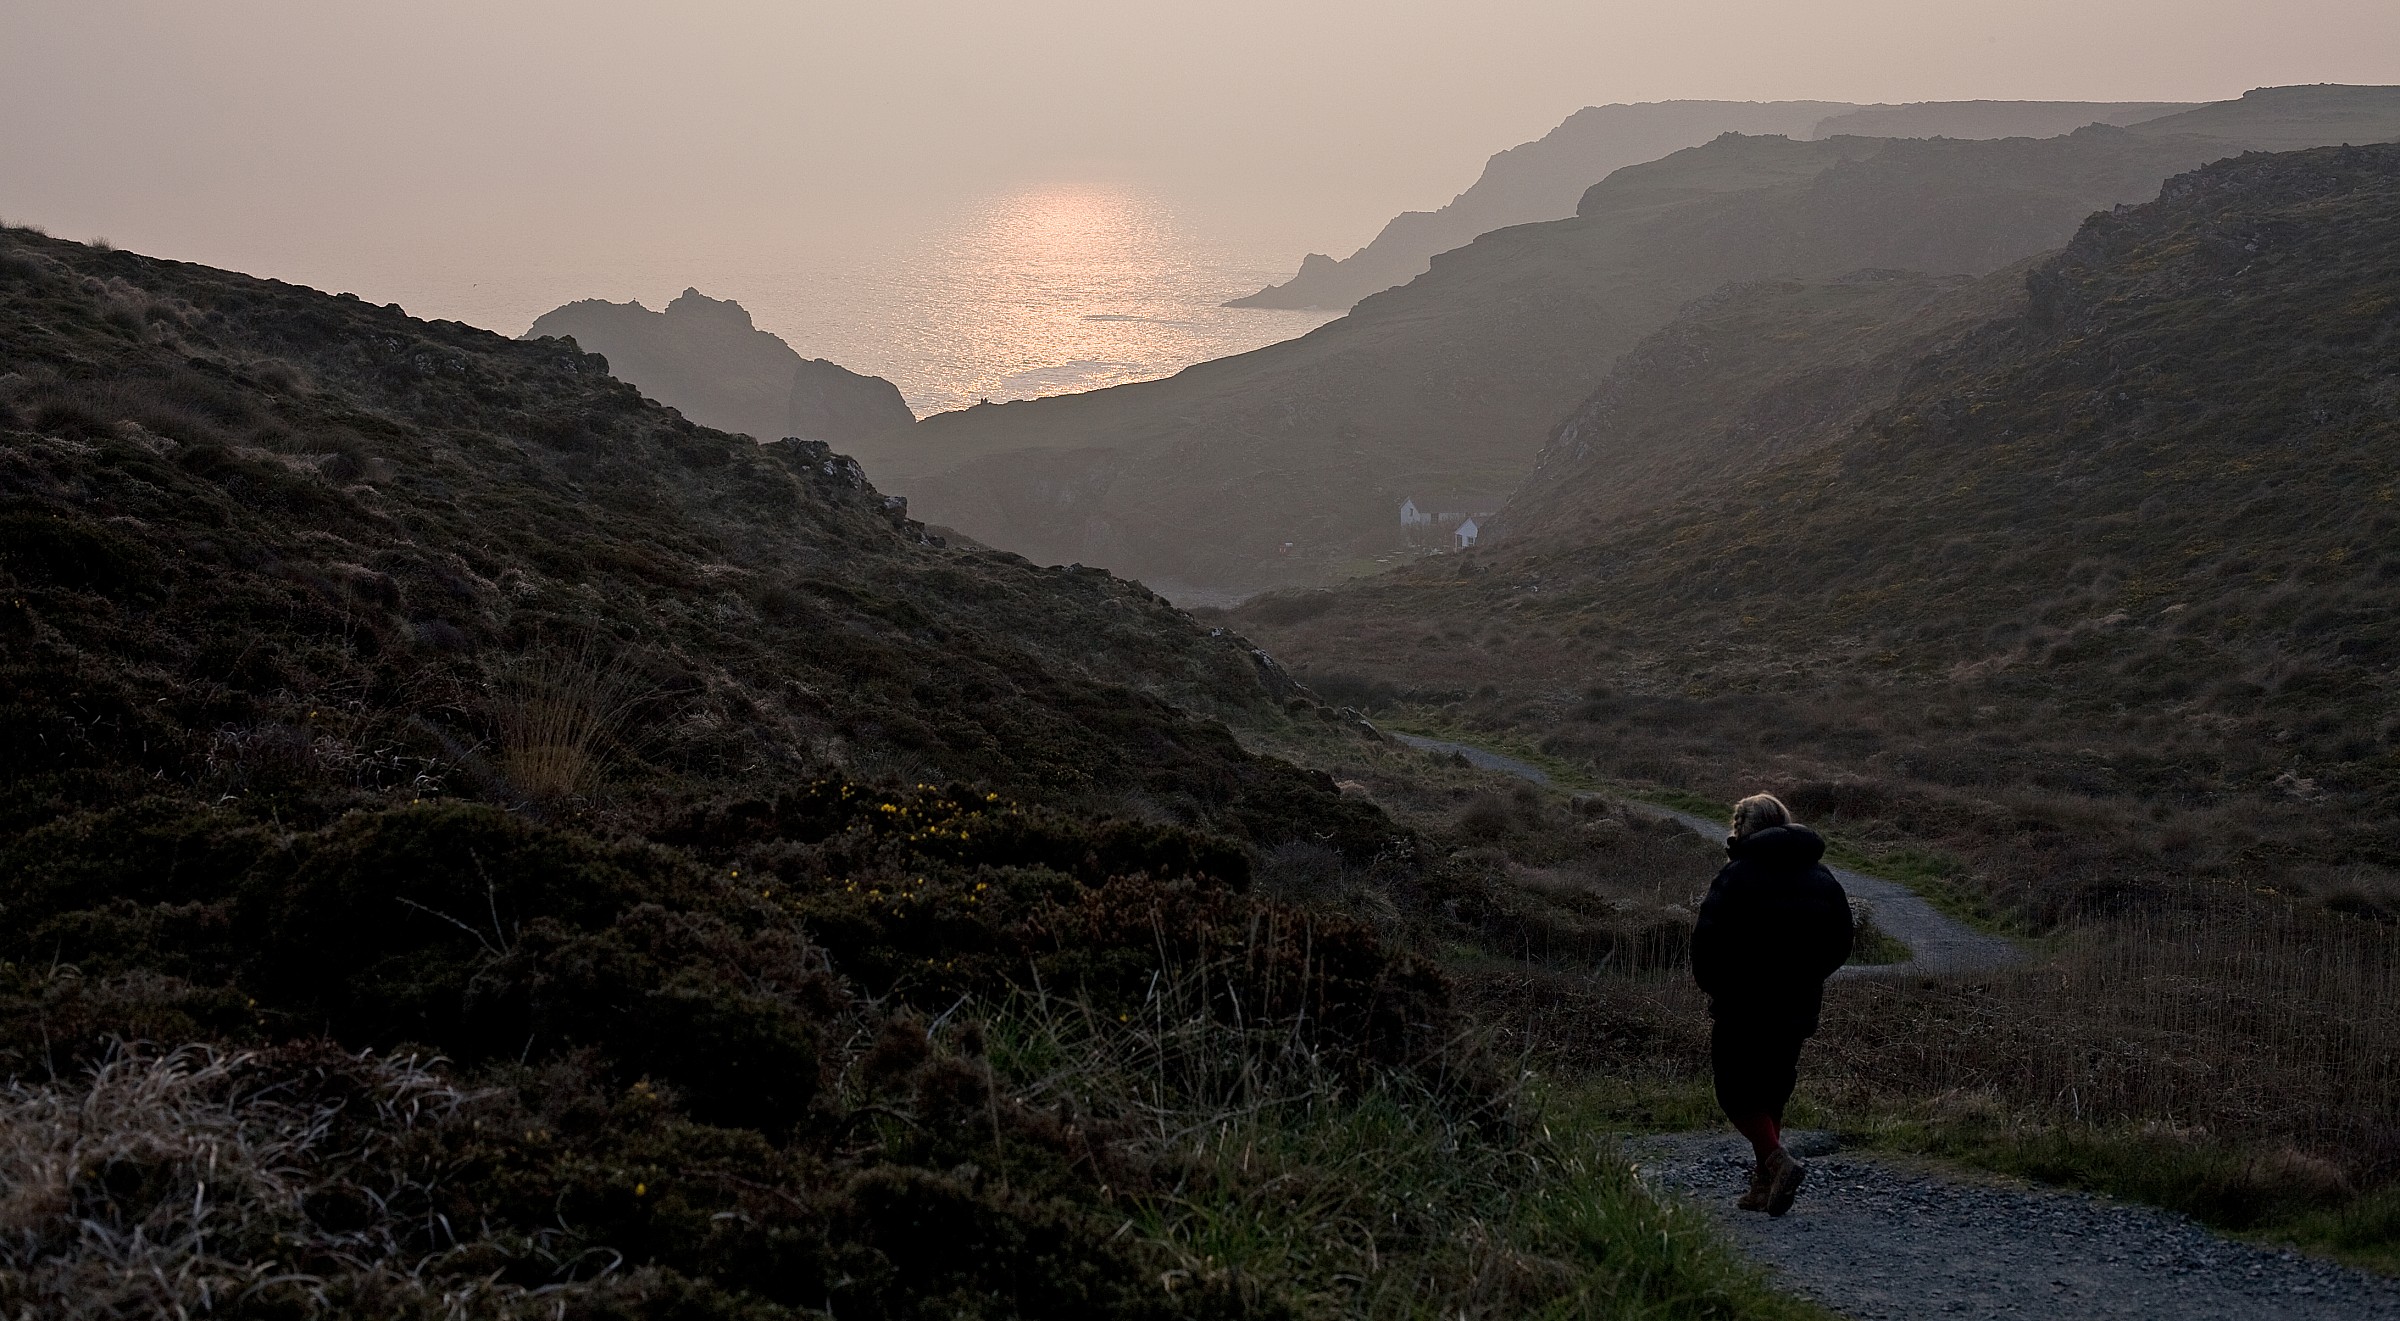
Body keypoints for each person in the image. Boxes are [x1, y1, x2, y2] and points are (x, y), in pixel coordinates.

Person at [1690, 792, 1853, 1216]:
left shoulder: (1738, 875)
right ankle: (1764, 1186)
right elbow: (1841, 940)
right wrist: (1809, 975)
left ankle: (1777, 1162)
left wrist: (1715, 986)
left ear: (1743, 828)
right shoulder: (1821, 876)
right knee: (1772, 1090)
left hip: (1743, 1004)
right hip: (1797, 1005)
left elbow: (1707, 939)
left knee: (1734, 1093)